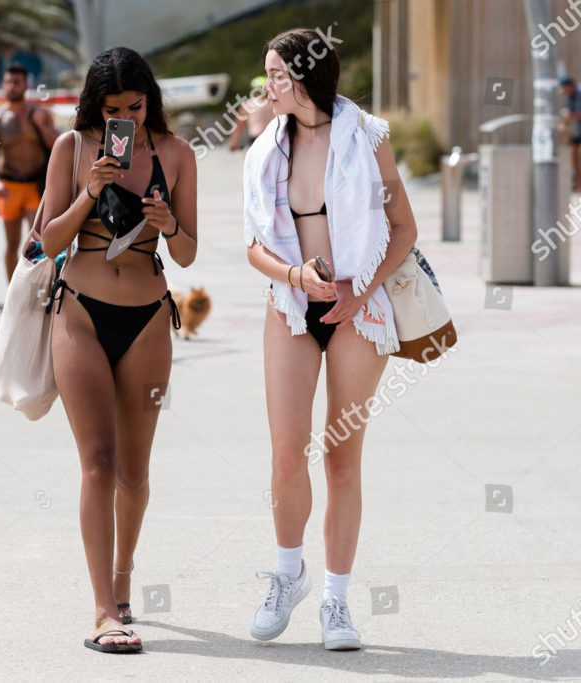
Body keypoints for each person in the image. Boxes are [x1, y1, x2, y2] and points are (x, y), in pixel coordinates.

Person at [243, 29, 417, 651]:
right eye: (267, 74)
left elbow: (402, 227)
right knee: (287, 455)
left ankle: (336, 602)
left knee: (342, 459)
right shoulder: (265, 148)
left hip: (358, 312)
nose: (268, 87)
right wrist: (294, 276)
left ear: (306, 77)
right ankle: (287, 575)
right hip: (290, 307)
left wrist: (360, 293)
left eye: (278, 75)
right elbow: (253, 247)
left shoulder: (367, 137)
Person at [38, 46, 197, 653]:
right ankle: (103, 611)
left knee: (134, 469)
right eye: (112, 110)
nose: (125, 118)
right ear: (94, 107)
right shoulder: (72, 148)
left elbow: (187, 254)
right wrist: (90, 192)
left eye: (135, 106)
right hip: (80, 312)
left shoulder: (177, 155)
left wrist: (167, 223)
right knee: (99, 463)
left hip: (149, 319)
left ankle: (123, 582)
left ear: (150, 100)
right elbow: (46, 242)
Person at [0, 62, 61, 289]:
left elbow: (59, 145)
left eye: (16, 82)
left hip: (35, 186)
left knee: (37, 243)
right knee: (12, 243)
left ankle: (37, 291)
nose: (12, 86)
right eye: (8, 82)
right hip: (9, 186)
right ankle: (12, 292)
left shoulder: (40, 114)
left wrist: (41, 127)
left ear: (27, 85)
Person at [229, 76, 275, 152]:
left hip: (255, 139)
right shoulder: (274, 103)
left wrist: (234, 142)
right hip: (273, 139)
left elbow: (239, 125)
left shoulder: (248, 104)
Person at [560, 76, 581, 193]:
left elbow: (574, 114)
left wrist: (571, 116)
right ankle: (579, 182)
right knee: (574, 155)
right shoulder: (568, 96)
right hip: (577, 130)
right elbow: (568, 113)